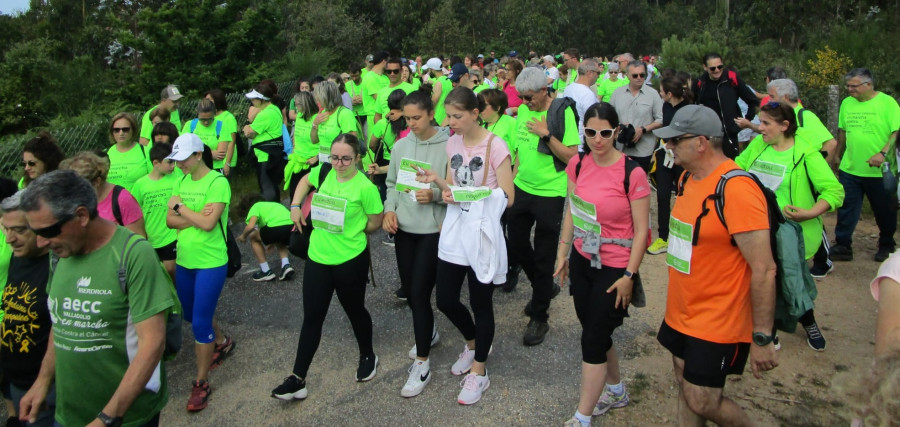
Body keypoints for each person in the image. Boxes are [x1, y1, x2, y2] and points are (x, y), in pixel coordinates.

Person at [652, 105, 778, 425]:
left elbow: (764, 269)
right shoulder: (687, 179)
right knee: (683, 383)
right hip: (681, 310)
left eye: (675, 141)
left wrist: (762, 336)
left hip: (719, 319)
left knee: (702, 399)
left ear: (701, 143)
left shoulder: (736, 189)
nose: (668, 147)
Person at [18, 170, 175, 427]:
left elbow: (152, 343)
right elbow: (63, 322)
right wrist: (43, 381)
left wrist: (107, 418)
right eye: (35, 231)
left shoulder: (133, 255)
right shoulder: (59, 254)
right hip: (69, 414)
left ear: (81, 216)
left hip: (124, 417)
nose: (41, 242)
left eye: (48, 231)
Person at [415, 87, 514, 405]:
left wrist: (466, 196)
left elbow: (508, 197)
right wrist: (440, 185)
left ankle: (480, 371)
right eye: (448, 115)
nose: (449, 122)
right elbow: (453, 186)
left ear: (476, 113)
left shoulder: (495, 146)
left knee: (480, 301)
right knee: (445, 298)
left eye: (456, 116)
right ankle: (473, 343)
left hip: (483, 231)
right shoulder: (453, 142)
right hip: (457, 228)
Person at [554, 103, 650, 427]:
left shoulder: (632, 173)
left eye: (605, 133)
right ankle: (616, 390)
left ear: (617, 131)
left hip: (616, 265)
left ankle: (582, 417)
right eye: (591, 132)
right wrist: (563, 254)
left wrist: (629, 276)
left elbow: (642, 233)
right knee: (593, 327)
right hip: (583, 258)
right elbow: (572, 210)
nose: (598, 139)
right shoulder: (578, 164)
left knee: (593, 337)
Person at [272, 134, 384, 401]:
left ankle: (368, 354)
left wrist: (352, 230)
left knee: (354, 310)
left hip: (349, 259)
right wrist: (296, 206)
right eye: (335, 157)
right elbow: (302, 182)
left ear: (357, 158)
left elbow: (375, 222)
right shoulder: (324, 171)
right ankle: (298, 378)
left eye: (346, 158)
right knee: (312, 317)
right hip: (318, 258)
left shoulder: (365, 188)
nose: (339, 163)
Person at [735, 102, 844, 351]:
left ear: (785, 126)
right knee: (762, 280)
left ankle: (809, 322)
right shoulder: (759, 145)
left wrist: (810, 212)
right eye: (759, 122)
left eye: (766, 124)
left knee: (792, 282)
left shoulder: (806, 153)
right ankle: (769, 328)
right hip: (755, 229)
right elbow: (737, 168)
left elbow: (834, 191)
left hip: (790, 233)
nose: (759, 128)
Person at [381, 90, 450, 398]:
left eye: (416, 118)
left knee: (420, 293)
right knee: (410, 291)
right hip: (405, 228)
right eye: (407, 118)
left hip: (433, 229)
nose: (411, 124)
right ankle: (430, 331)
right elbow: (392, 183)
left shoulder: (449, 145)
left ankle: (422, 364)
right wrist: (390, 209)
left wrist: (434, 194)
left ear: (431, 113)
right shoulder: (400, 146)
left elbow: (456, 188)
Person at [506, 67, 580, 346]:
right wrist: (510, 185)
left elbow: (572, 156)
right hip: (522, 188)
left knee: (546, 253)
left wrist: (546, 134)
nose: (524, 102)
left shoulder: (562, 112)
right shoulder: (523, 111)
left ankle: (540, 316)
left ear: (543, 91)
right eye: (521, 97)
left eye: (528, 97)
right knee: (516, 243)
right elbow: (518, 153)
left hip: (551, 192)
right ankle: (543, 285)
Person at [165, 134, 235, 412]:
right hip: (185, 260)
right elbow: (170, 221)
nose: (178, 164)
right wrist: (193, 215)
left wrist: (182, 209)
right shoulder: (181, 180)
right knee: (191, 314)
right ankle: (222, 342)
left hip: (211, 261)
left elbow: (207, 224)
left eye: (182, 159)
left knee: (199, 323)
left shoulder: (218, 183)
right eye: (175, 160)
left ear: (198, 155)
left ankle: (201, 382)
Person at [831, 68, 900, 263]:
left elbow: (896, 132)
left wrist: (883, 153)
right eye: (848, 86)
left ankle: (886, 244)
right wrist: (838, 154)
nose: (850, 90)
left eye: (854, 86)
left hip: (880, 171)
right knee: (846, 207)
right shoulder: (847, 103)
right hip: (850, 168)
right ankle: (843, 245)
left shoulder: (887, 103)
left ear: (868, 84)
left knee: (884, 209)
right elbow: (843, 130)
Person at [0, 191, 54, 427]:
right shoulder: (19, 256)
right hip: (16, 380)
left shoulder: (56, 265)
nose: (9, 238)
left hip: (46, 388)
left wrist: (44, 381)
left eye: (19, 230)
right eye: (6, 229)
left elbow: (62, 327)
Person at [647, 76, 692, 255]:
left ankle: (684, 235)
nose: (660, 93)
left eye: (662, 91)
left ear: (670, 93)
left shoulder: (688, 109)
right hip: (664, 154)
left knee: (684, 195)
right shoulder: (665, 106)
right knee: (663, 195)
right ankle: (663, 237)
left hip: (681, 157)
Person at [60, 151, 147, 238]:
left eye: (81, 187)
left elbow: (138, 241)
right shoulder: (77, 202)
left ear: (97, 181)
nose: (76, 192)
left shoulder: (122, 199)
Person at [692, 53, 759, 159]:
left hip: (728, 134)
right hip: (707, 134)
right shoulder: (700, 83)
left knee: (728, 166)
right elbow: (692, 105)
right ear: (705, 67)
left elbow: (753, 101)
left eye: (720, 67)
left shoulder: (731, 78)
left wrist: (746, 121)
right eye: (713, 68)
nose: (717, 70)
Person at [131, 142, 179, 280]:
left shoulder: (176, 180)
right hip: (151, 236)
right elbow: (135, 210)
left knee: (171, 269)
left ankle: (180, 298)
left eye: (174, 162)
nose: (173, 166)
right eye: (169, 162)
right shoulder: (140, 184)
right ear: (156, 163)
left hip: (171, 235)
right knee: (157, 273)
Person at [608, 60, 663, 173]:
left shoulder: (653, 94)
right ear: (627, 75)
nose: (639, 78)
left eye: (642, 75)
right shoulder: (617, 94)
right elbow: (609, 118)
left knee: (639, 185)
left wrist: (642, 129)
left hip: (643, 150)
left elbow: (661, 119)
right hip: (620, 149)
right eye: (635, 75)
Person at [235, 194, 294, 282]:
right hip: (291, 227)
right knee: (280, 240)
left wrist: (243, 236)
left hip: (276, 228)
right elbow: (277, 224)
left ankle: (265, 271)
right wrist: (272, 242)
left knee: (253, 237)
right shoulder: (272, 205)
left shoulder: (255, 206)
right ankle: (286, 265)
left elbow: (250, 226)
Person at [243, 84, 285, 202]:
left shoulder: (265, 114)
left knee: (266, 186)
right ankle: (276, 211)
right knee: (272, 185)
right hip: (274, 154)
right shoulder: (274, 109)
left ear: (262, 99)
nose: (252, 101)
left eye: (254, 99)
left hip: (265, 156)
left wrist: (247, 127)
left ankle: (270, 213)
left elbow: (249, 133)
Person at [285, 91, 320, 199]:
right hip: (298, 160)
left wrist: (316, 157)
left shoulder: (317, 119)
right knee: (294, 196)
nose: (295, 107)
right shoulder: (299, 115)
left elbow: (325, 141)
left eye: (297, 104)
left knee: (312, 196)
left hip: (312, 161)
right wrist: (294, 148)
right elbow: (296, 133)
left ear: (305, 104)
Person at [182, 99, 231, 177]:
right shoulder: (190, 125)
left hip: (215, 169)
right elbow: (184, 149)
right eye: (202, 119)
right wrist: (210, 153)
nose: (206, 122)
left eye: (210, 119)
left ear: (215, 113)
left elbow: (220, 155)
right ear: (197, 114)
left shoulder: (222, 126)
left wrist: (196, 151)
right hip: (193, 169)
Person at [107, 112, 153, 192]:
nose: (121, 133)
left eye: (125, 129)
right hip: (113, 203)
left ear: (133, 130)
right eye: (116, 130)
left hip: (138, 202)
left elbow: (155, 179)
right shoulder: (107, 154)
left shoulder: (145, 152)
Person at [203, 89, 240, 178]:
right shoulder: (208, 118)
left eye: (210, 100)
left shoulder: (228, 118)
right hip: (211, 161)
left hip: (224, 161)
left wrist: (227, 163)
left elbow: (232, 142)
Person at [562, 58, 601, 137]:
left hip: (569, 138)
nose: (598, 77)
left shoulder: (568, 88)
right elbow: (593, 121)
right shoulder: (588, 95)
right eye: (598, 73)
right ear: (590, 73)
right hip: (582, 141)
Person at [375, 58, 414, 123]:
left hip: (405, 130)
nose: (392, 74)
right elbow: (377, 115)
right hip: (386, 130)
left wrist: (401, 113)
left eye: (395, 71)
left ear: (401, 71)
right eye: (389, 71)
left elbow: (419, 111)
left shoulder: (411, 89)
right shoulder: (381, 92)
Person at [361, 51, 389, 132]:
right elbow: (378, 98)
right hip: (374, 116)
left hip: (386, 115)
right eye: (389, 61)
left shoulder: (385, 77)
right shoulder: (370, 77)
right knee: (375, 143)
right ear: (384, 61)